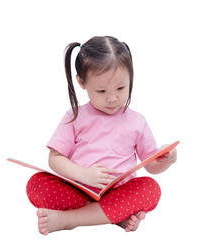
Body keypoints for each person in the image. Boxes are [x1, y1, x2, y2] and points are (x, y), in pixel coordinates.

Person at [26, 36, 177, 235]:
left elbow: (150, 165)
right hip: (80, 190)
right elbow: (55, 159)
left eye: (121, 88)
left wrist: (165, 160)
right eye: (101, 90)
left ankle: (69, 219)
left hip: (119, 192)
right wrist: (84, 175)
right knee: (36, 184)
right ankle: (115, 216)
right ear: (82, 82)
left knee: (150, 189)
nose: (113, 98)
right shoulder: (74, 116)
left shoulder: (137, 121)